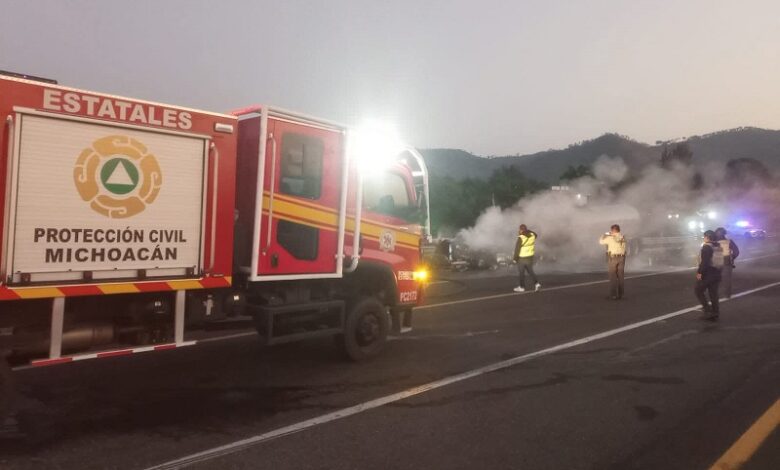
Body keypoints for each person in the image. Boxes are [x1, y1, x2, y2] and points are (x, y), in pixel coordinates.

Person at [695, 230, 722, 321]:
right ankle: (715, 312)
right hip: (717, 272)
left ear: (708, 237)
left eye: (704, 236)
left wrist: (700, 273)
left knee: (698, 290)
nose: (704, 238)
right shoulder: (717, 245)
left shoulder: (706, 247)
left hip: (708, 274)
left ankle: (707, 310)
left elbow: (705, 262)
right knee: (713, 294)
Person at [599, 224, 627, 300]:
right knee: (621, 277)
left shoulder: (610, 238)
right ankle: (621, 294)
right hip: (622, 257)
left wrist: (604, 235)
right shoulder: (623, 237)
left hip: (613, 258)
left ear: (613, 230)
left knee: (613, 277)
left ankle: (613, 295)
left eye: (611, 230)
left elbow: (601, 242)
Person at [513, 224, 541, 292]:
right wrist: (527, 231)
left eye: (520, 229)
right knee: (530, 271)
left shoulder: (521, 238)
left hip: (522, 258)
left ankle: (522, 287)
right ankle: (537, 284)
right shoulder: (532, 235)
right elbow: (535, 234)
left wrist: (515, 258)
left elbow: (517, 249)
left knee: (521, 273)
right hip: (530, 257)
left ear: (521, 230)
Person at [714, 227, 739, 299]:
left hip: (715, 262)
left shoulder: (713, 242)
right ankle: (727, 295)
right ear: (724, 234)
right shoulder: (729, 241)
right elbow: (736, 252)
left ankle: (714, 294)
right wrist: (732, 258)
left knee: (714, 279)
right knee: (727, 279)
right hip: (727, 261)